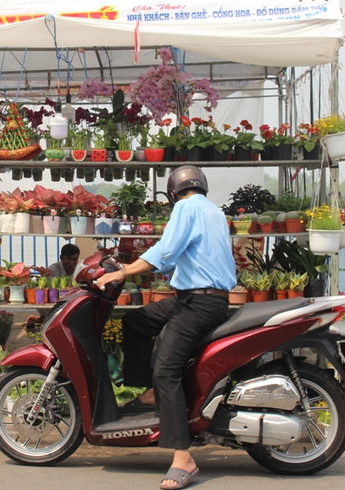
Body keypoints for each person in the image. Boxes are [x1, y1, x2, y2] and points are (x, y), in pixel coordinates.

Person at [96, 165, 236, 490]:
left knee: (165, 369)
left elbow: (166, 252)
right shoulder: (213, 210)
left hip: (198, 303)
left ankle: (182, 457)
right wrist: (130, 265)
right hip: (198, 297)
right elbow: (177, 257)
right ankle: (148, 395)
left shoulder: (186, 208)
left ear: (173, 193)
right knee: (136, 322)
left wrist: (123, 273)